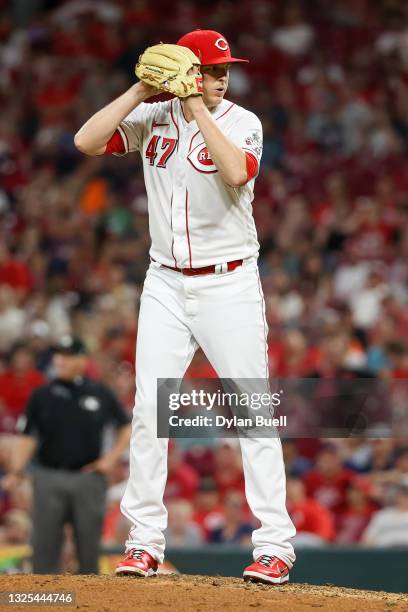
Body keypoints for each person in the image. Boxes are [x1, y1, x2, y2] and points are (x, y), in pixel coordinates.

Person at [74, 29, 296, 585]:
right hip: (165, 284)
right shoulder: (153, 117)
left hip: (230, 283)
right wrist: (137, 89)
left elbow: (237, 171)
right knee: (151, 410)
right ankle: (143, 542)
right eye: (210, 69)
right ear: (184, 68)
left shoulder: (243, 122)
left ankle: (275, 545)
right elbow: (86, 141)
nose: (222, 77)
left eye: (225, 70)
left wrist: (195, 101)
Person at [1, 335, 131, 574]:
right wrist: (17, 471)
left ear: (82, 359)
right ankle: (46, 603)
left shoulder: (99, 392)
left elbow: (125, 425)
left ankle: (89, 604)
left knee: (89, 547)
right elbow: (27, 436)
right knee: (45, 545)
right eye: (59, 355)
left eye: (68, 355)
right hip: (49, 475)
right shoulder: (42, 395)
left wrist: (109, 460)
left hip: (88, 477)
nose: (61, 360)